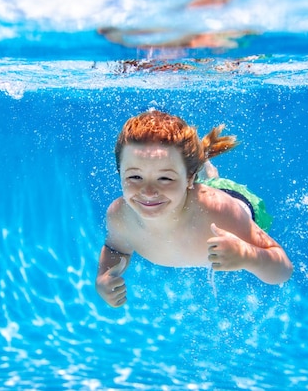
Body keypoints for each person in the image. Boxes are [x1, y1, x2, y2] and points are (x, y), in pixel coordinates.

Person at [95, 109, 293, 307]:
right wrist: (103, 277)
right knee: (207, 183)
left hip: (237, 200)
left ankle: (211, 176)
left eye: (165, 178)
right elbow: (115, 248)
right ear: (119, 173)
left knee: (216, 184)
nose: (148, 191)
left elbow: (283, 270)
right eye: (135, 177)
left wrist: (247, 256)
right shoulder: (120, 216)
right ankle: (205, 172)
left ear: (190, 178)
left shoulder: (219, 213)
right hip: (189, 193)